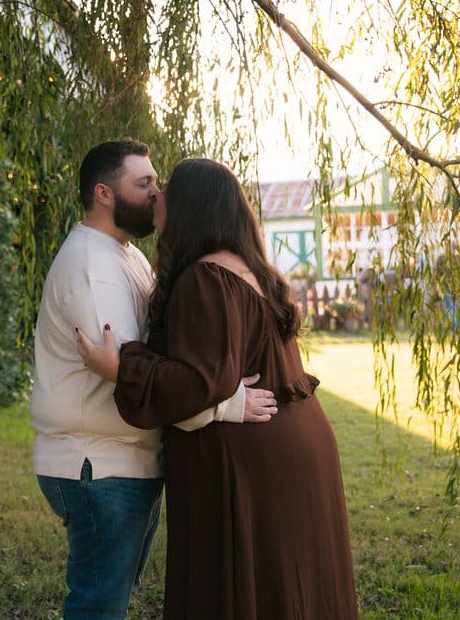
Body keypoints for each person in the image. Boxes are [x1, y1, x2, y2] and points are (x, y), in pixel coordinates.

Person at [78, 157, 359, 619]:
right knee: (290, 589)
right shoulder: (252, 270)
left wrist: (121, 367)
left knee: (244, 589)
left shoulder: (205, 279)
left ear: (191, 206)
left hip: (249, 462)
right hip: (298, 446)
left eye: (168, 189)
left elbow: (196, 383)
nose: (157, 196)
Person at [32, 140, 278, 619]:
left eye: (156, 182)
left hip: (122, 460)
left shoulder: (125, 256)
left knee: (111, 601)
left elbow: (153, 360)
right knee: (99, 608)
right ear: (104, 193)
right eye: (143, 183)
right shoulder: (93, 267)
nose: (155, 193)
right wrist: (226, 403)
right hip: (96, 464)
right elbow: (133, 374)